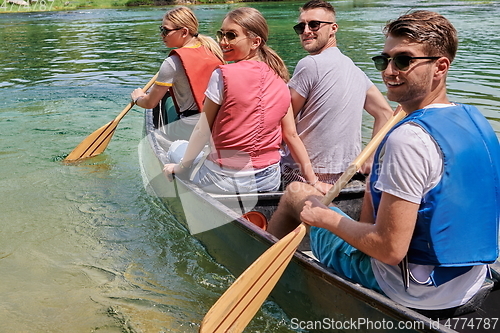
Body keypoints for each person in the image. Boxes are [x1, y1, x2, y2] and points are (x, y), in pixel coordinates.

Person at [268, 10, 500, 313]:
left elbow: (389, 249)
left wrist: (324, 217)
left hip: (410, 289)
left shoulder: (408, 140)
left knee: (297, 195)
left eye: (403, 60)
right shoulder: (477, 120)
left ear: (440, 67)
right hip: (466, 281)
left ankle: (265, 269)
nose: (389, 71)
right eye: (384, 60)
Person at [162, 7, 317, 195]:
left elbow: (203, 130)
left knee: (175, 147)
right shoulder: (281, 81)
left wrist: (180, 168)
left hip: (224, 180)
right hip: (269, 179)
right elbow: (291, 136)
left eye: (231, 35)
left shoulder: (222, 75)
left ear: (255, 42)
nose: (222, 41)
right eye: (221, 34)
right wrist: (313, 180)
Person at [280, 0, 393, 191]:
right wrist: (369, 159)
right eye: (301, 26)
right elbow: (386, 113)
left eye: (314, 24)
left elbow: (282, 123)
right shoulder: (355, 70)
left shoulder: (309, 64)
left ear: (333, 28)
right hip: (346, 175)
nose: (306, 30)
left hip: (303, 174)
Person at [131, 6, 224, 141]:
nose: (161, 35)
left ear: (184, 32)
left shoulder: (172, 63)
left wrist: (138, 98)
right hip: (217, 123)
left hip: (192, 127)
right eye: (161, 29)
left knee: (158, 130)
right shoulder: (212, 48)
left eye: (165, 31)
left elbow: (150, 103)